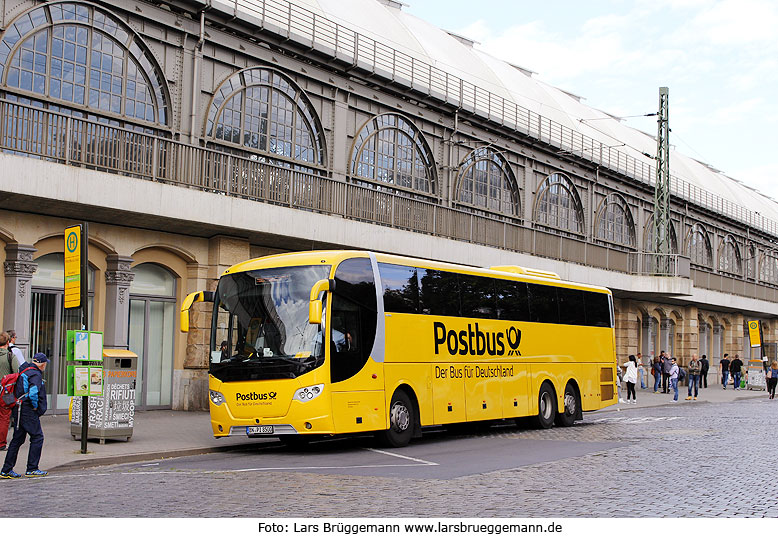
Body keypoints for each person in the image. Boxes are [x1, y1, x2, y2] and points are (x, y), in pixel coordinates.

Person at [0, 352, 49, 478]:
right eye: (45, 364)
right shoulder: (35, 374)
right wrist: (35, 406)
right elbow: (33, 393)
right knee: (37, 437)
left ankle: (6, 470)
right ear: (42, 364)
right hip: (27, 410)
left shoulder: (25, 370)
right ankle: (32, 468)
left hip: (18, 408)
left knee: (17, 440)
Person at [0, 332, 19, 451]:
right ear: (8, 342)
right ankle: (1, 443)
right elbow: (17, 372)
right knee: (4, 417)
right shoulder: (10, 356)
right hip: (6, 391)